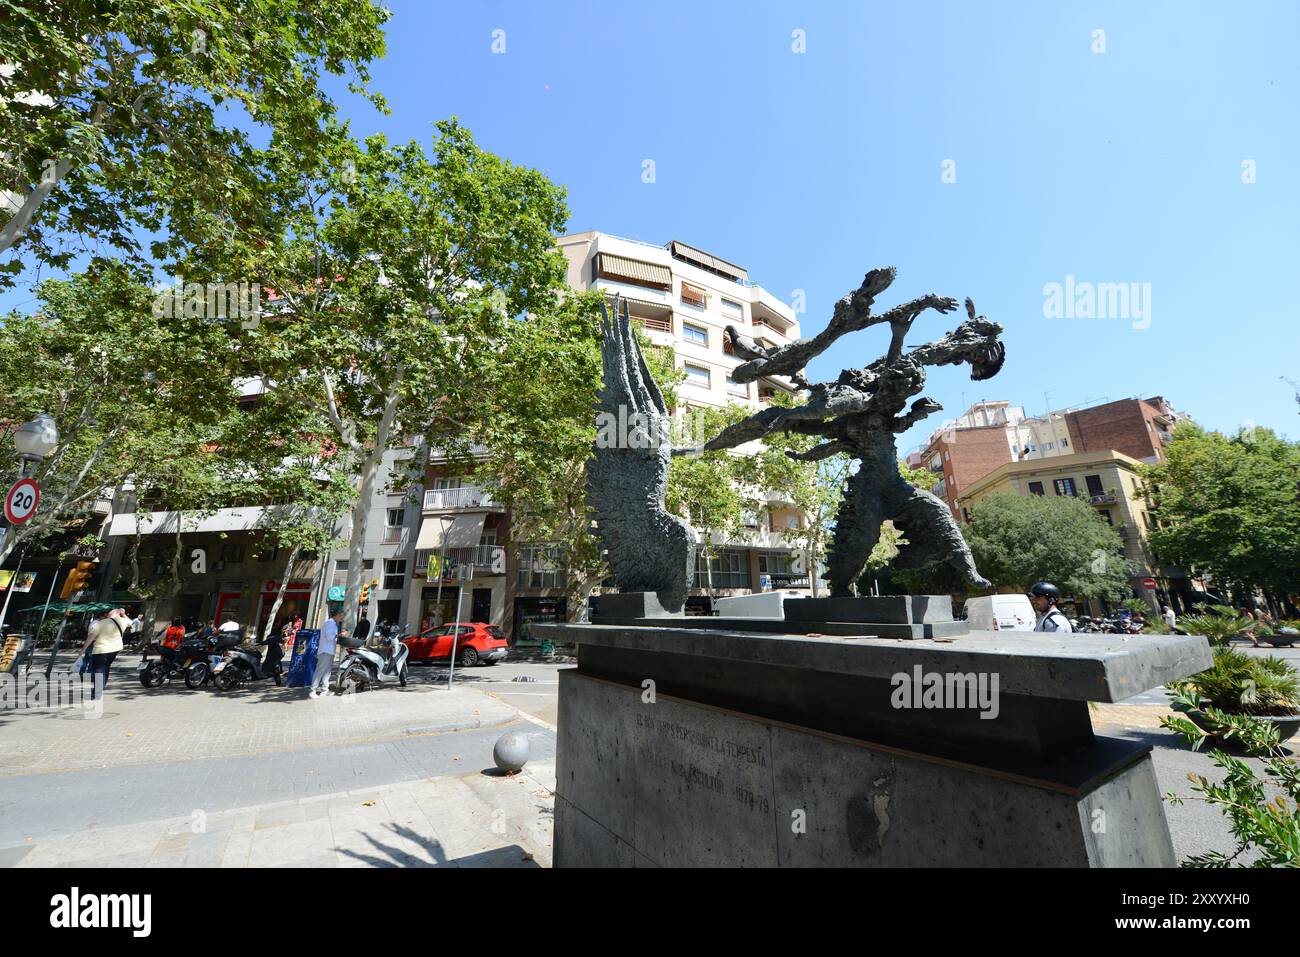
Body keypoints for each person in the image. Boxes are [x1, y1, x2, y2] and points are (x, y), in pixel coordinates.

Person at [79, 607, 129, 699]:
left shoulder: (101, 623)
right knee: (106, 667)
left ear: (109, 615)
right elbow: (131, 622)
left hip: (100, 649)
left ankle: (97, 691)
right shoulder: (123, 621)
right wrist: (123, 613)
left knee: (99, 670)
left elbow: (90, 637)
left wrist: (83, 649)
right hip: (114, 650)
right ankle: (101, 687)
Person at [310, 609, 345, 698]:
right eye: (341, 615)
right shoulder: (330, 623)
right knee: (320, 670)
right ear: (337, 615)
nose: (342, 617)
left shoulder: (333, 624)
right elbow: (330, 637)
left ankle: (324, 690)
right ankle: (313, 690)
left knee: (327, 672)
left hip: (329, 651)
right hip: (325, 651)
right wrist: (340, 635)